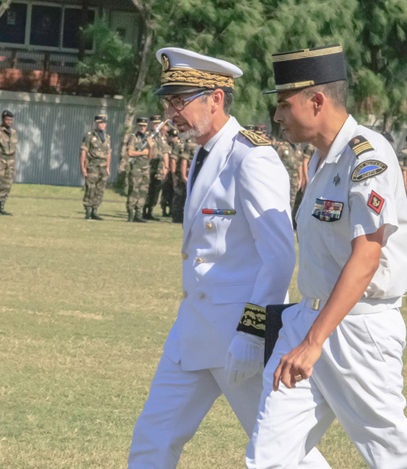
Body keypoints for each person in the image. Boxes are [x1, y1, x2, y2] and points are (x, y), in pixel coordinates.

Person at [129, 47, 329, 469]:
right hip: (192, 331)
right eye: (168, 102)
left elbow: (278, 257)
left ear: (215, 99)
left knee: (283, 453)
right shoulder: (203, 153)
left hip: (238, 340)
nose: (171, 112)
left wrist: (252, 334)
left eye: (179, 101)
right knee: (153, 438)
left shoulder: (251, 157)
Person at [245, 44, 407, 469]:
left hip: (357, 330)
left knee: (392, 457)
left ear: (316, 101)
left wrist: (314, 342)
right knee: (269, 458)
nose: (277, 116)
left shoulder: (368, 157)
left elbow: (366, 257)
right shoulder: (320, 159)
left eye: (284, 105)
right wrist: (307, 335)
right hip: (307, 322)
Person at [80, 114, 111, 220]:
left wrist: (108, 167)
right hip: (93, 165)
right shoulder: (89, 136)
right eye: (100, 123)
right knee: (90, 188)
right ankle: (88, 211)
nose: (102, 125)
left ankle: (95, 210)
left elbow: (108, 153)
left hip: (103, 166)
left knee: (100, 189)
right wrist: (83, 168)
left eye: (104, 123)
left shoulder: (107, 137)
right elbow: (84, 152)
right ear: (96, 123)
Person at [0, 110, 18, 215]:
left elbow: (14, 150)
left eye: (11, 120)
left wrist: (14, 165)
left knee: (7, 184)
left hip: (10, 161)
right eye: (7, 119)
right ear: (3, 119)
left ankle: (2, 206)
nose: (9, 122)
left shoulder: (14, 132)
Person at [124, 117, 152, 223]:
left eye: (144, 126)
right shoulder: (133, 138)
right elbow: (130, 153)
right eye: (140, 125)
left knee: (143, 191)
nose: (142, 128)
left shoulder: (148, 138)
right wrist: (142, 153)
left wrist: (151, 146)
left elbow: (151, 155)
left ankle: (139, 213)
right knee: (134, 191)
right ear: (137, 126)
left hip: (146, 168)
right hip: (136, 167)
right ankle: (131, 213)